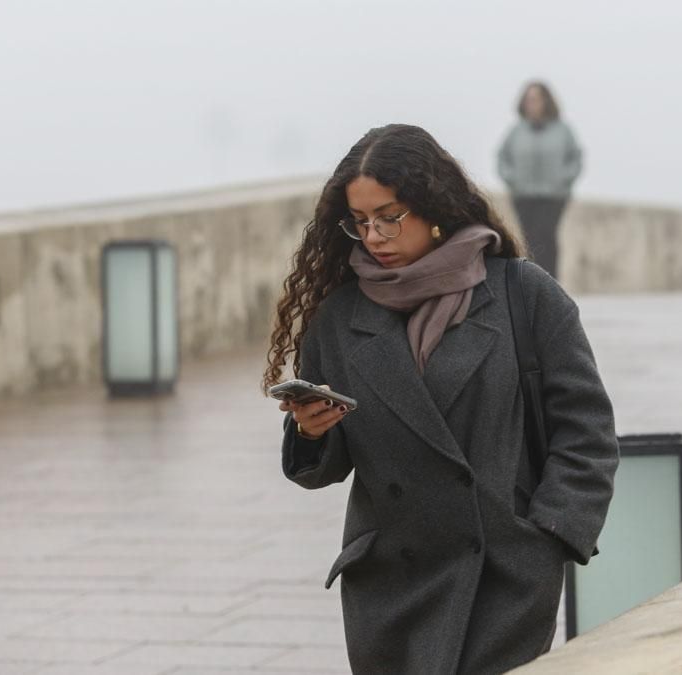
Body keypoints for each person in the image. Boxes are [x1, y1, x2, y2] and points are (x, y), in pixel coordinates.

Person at [263, 124, 619, 674]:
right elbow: (327, 469)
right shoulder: (338, 319)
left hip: (503, 575)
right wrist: (312, 431)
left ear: (434, 208)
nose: (374, 236)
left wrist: (549, 536)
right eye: (360, 222)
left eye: (389, 216)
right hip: (391, 587)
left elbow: (586, 430)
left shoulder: (522, 295)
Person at [497, 81, 583, 278]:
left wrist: (564, 178)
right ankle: (534, 284)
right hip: (523, 194)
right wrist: (511, 179)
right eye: (528, 100)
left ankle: (551, 282)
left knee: (545, 234)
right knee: (529, 239)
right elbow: (502, 157)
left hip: (554, 195)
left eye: (535, 99)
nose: (531, 104)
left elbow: (576, 158)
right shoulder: (516, 131)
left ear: (546, 101)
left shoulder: (563, 130)